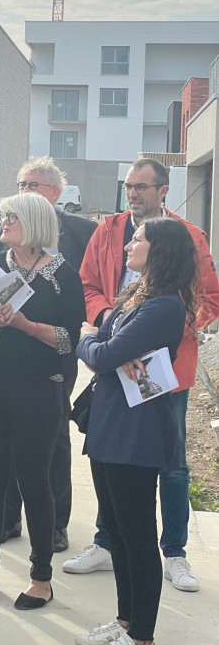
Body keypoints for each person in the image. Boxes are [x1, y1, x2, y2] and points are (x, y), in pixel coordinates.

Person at [67, 158, 219, 590]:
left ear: (163, 190)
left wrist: (158, 333)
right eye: (129, 186)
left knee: (170, 463)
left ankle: (174, 552)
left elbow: (210, 296)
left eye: (142, 187)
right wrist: (116, 327)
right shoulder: (108, 231)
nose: (133, 194)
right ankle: (106, 542)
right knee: (112, 457)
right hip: (116, 359)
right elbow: (88, 285)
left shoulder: (187, 235)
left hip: (164, 370)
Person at [74, 216, 198, 645]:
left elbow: (103, 351)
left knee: (138, 536)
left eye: (139, 239)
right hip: (112, 426)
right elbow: (110, 347)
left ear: (159, 250)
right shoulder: (138, 296)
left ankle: (141, 642)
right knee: (121, 535)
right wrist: (102, 345)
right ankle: (126, 622)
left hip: (137, 433)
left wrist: (88, 341)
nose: (129, 244)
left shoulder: (165, 305)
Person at [0, 193, 85, 611]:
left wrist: (27, 325)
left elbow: (71, 340)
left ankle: (41, 578)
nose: (3, 222)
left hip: (40, 388)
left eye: (12, 216)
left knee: (34, 482)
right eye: (4, 216)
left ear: (34, 223)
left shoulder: (63, 274)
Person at [0, 156, 97, 552]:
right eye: (21, 183)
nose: (24, 190)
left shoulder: (81, 234)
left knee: (51, 438)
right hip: (3, 363)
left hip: (52, 364)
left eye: (32, 184)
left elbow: (88, 292)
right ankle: (8, 518)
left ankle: (55, 522)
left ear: (53, 192)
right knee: (6, 439)